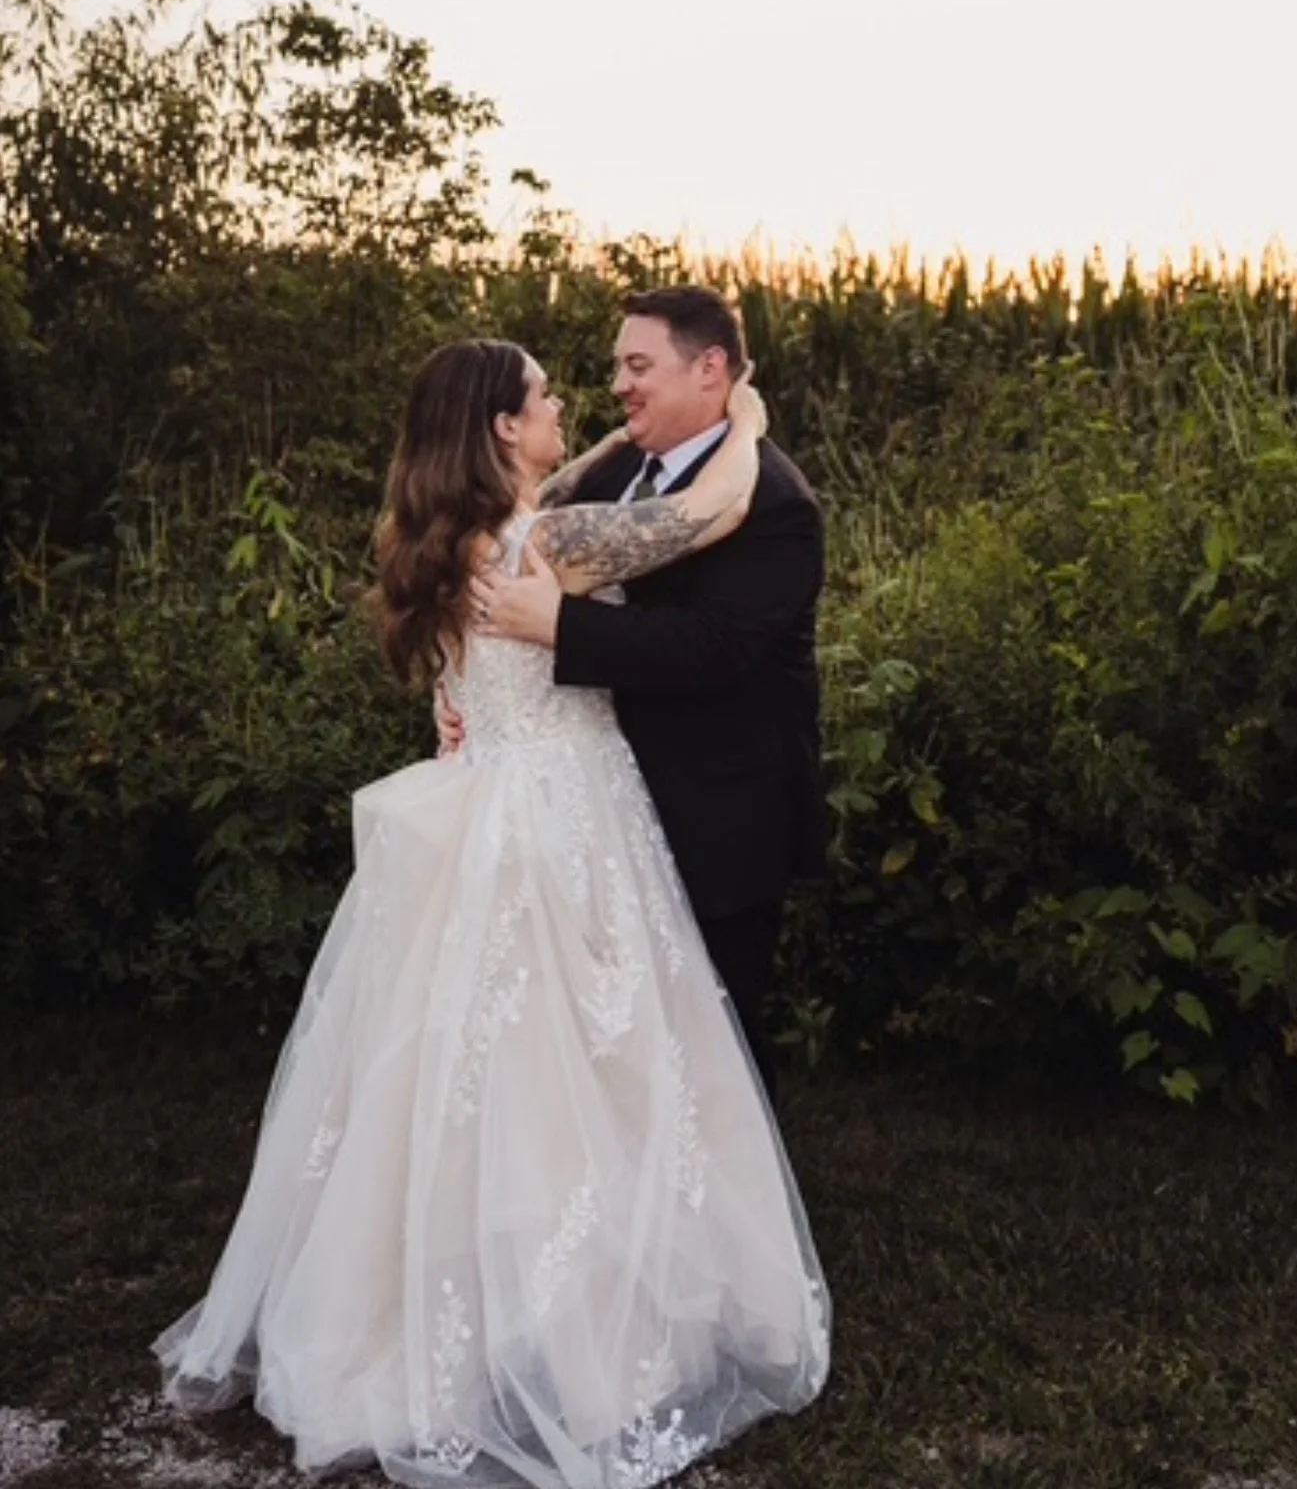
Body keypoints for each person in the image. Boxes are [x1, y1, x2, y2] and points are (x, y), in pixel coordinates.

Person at [154, 338, 829, 1489]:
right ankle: (575, 1335)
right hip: (563, 813)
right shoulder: (547, 544)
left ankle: (454, 1304)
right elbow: (708, 512)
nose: (569, 402)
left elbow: (476, 665)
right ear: (506, 429)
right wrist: (749, 421)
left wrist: (619, 436)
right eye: (546, 395)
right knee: (575, 1064)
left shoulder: (447, 542)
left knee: (474, 1067)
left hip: (490, 798)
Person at [441, 286, 828, 1103]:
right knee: (598, 1045)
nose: (618, 384)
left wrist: (560, 627)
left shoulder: (778, 504)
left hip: (716, 813)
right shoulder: (612, 473)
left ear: (710, 369)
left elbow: (715, 647)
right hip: (586, 810)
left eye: (638, 366)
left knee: (715, 1047)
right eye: (620, 366)